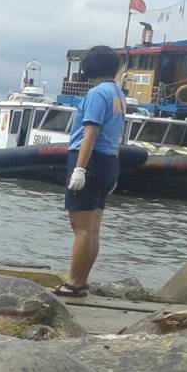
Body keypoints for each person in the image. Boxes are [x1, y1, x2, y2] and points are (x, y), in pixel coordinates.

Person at [54, 45, 126, 297]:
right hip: (108, 161)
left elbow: (90, 133)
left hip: (90, 160)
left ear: (88, 68)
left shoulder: (97, 94)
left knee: (81, 227)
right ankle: (81, 280)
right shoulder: (118, 93)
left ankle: (73, 282)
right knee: (93, 228)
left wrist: (79, 169)